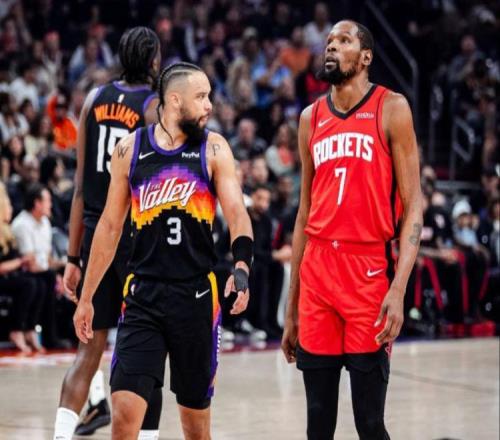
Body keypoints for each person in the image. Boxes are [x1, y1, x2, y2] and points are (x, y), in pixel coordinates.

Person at [73, 61, 253, 440]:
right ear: (174, 101)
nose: (209, 105)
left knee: (195, 427)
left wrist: (241, 266)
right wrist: (86, 297)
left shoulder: (213, 148)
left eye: (209, 97)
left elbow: (237, 213)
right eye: (201, 97)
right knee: (124, 415)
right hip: (143, 296)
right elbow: (109, 227)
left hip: (196, 297)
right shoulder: (129, 149)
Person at [281, 21, 422, 439]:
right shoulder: (310, 118)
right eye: (329, 41)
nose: (331, 46)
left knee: (370, 423)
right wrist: (292, 308)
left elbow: (414, 206)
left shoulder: (391, 108)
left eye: (343, 41)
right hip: (318, 271)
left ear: (365, 57)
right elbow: (304, 213)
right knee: (318, 423)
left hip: (368, 272)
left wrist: (398, 290)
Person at [53, 27, 164, 440]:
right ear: (153, 60)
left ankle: (60, 435)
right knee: (148, 347)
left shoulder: (94, 100)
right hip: (134, 236)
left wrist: (72, 257)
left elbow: (81, 187)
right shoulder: (153, 107)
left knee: (88, 351)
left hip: (95, 233)